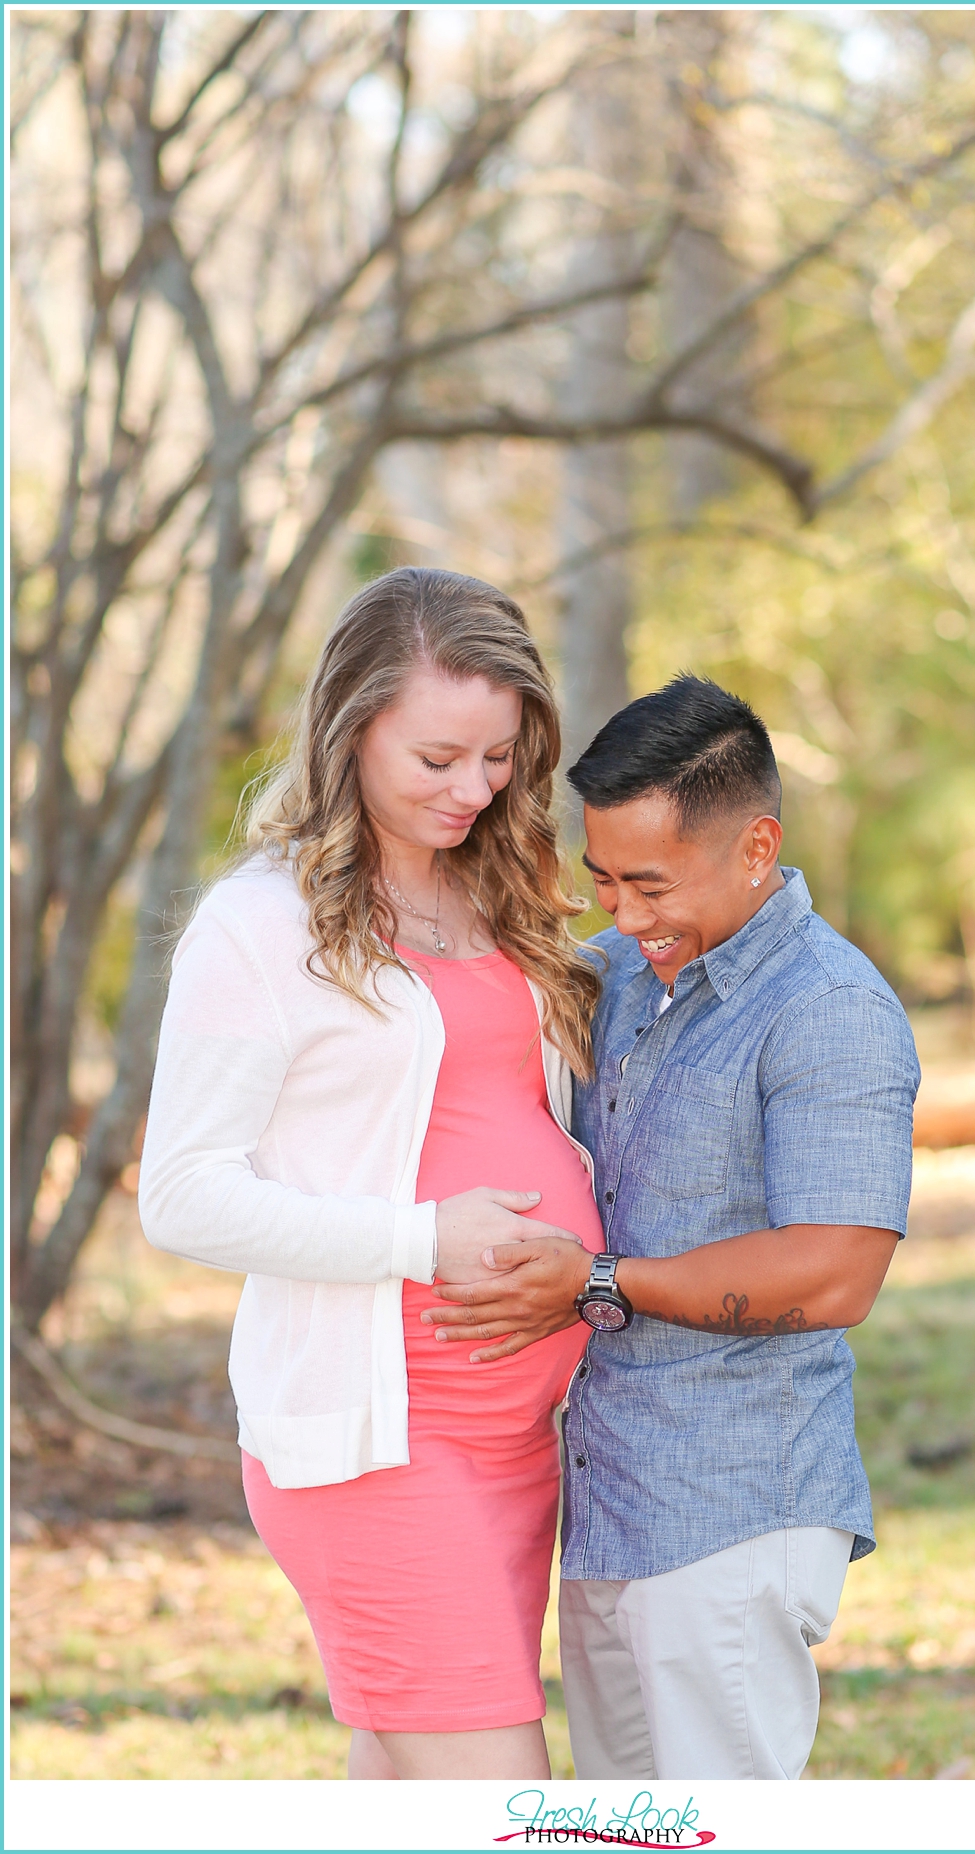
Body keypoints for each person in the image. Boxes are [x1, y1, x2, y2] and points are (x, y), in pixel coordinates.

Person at [138, 566, 605, 1781]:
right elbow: (180, 1193)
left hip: (519, 1441)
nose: (475, 788)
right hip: (377, 1444)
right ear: (350, 733)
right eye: (438, 757)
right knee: (510, 1803)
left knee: (400, 1790)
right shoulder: (261, 925)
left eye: (501, 756)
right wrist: (419, 1239)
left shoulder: (498, 893)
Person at [425, 674, 921, 1782]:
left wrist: (595, 1280)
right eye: (603, 880)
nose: (623, 915)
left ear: (756, 848)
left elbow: (836, 1273)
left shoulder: (827, 1010)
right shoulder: (612, 977)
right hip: (607, 1501)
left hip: (735, 1507)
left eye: (650, 884)